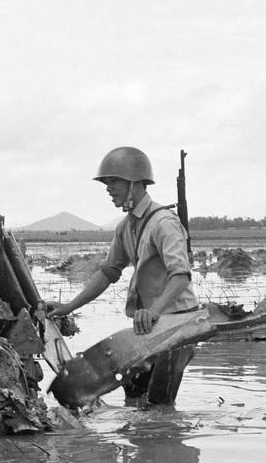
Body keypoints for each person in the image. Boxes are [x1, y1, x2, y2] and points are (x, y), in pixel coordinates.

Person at [46, 146, 200, 406]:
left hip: (176, 326)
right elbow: (107, 273)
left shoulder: (164, 223)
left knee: (159, 405)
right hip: (147, 326)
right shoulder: (125, 227)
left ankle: (166, 443)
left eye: (113, 181)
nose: (108, 188)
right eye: (107, 182)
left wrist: (155, 311)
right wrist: (68, 306)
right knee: (135, 397)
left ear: (135, 183)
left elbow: (181, 275)